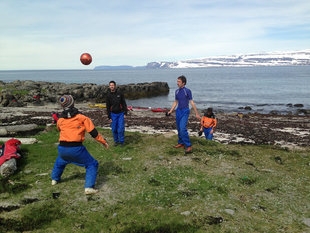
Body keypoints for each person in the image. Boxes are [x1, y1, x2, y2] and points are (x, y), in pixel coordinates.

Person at [51, 95, 109, 195]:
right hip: (76, 148)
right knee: (92, 164)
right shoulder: (82, 118)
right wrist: (103, 142)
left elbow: (59, 129)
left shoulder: (60, 120)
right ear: (73, 103)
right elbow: (93, 132)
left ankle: (54, 179)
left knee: (60, 160)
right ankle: (89, 188)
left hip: (62, 148)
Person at [167, 75, 200, 154]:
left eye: (179, 82)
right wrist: (170, 111)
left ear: (183, 83)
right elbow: (176, 102)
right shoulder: (177, 91)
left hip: (185, 111)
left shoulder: (187, 91)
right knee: (179, 128)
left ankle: (188, 146)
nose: (177, 83)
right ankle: (181, 143)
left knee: (182, 128)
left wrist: (196, 113)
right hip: (178, 111)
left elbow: (191, 102)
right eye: (177, 81)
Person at [106, 81, 127, 147]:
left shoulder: (120, 93)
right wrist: (109, 117)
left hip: (120, 114)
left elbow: (124, 103)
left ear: (115, 86)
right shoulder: (108, 95)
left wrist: (125, 113)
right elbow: (108, 107)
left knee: (120, 129)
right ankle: (116, 141)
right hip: (113, 114)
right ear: (109, 86)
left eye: (113, 85)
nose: (112, 86)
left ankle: (121, 142)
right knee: (114, 129)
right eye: (110, 85)